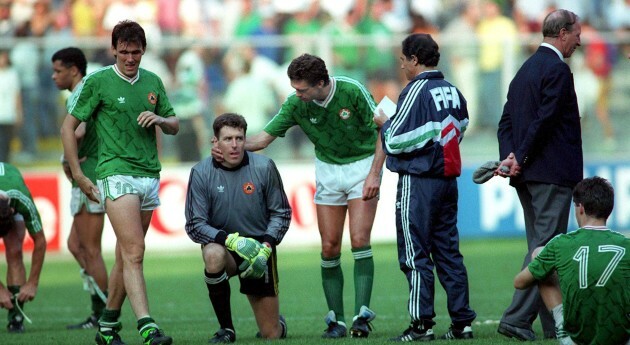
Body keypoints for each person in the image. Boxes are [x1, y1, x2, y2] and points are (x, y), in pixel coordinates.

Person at [213, 53, 385, 338]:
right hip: (328, 169)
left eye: (302, 89)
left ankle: (361, 316)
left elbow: (384, 128)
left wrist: (375, 173)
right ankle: (336, 321)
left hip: (362, 166)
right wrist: (231, 147)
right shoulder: (296, 104)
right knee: (329, 246)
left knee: (358, 240)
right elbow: (263, 138)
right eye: (295, 88)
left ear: (321, 83)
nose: (297, 94)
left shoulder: (352, 90)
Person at [60, 20, 179, 345]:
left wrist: (161, 120)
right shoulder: (98, 82)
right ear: (113, 49)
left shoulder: (153, 81)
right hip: (115, 173)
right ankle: (147, 326)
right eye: (124, 52)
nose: (130, 58)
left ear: (143, 51)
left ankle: (108, 326)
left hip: (149, 175)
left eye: (135, 52)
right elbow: (68, 128)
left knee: (127, 257)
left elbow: (174, 123)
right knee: (135, 251)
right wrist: (80, 175)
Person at [373, 33, 477, 341]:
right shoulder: (454, 91)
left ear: (415, 60)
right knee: (448, 252)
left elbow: (395, 140)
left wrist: (384, 124)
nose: (402, 65)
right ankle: (462, 323)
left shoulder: (415, 90)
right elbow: (461, 127)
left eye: (404, 59)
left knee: (414, 253)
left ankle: (421, 325)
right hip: (447, 180)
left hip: (418, 182)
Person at [495, 9, 584, 341]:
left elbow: (506, 121)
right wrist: (524, 154)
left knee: (541, 244)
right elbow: (545, 121)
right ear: (562, 33)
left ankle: (552, 325)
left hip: (528, 175)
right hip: (552, 173)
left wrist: (512, 156)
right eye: (576, 33)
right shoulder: (558, 70)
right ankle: (516, 318)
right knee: (546, 249)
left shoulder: (525, 69)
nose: (580, 39)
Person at [185, 113, 291, 343]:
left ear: (245, 139)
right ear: (215, 141)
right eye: (227, 139)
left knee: (271, 335)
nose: (234, 145)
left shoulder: (264, 167)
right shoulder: (201, 172)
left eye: (239, 138)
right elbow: (195, 223)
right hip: (225, 246)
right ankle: (227, 330)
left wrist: (267, 244)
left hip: (258, 251)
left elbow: (281, 212)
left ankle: (277, 323)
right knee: (212, 255)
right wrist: (229, 241)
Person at [514, 176, 630, 345]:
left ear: (580, 208)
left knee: (539, 254)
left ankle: (562, 325)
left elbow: (520, 282)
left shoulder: (560, 243)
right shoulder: (626, 244)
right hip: (621, 337)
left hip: (577, 337)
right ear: (609, 209)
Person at [52, 47, 109, 330]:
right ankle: (99, 309)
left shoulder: (81, 93)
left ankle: (106, 313)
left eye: (58, 70)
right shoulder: (80, 92)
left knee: (90, 249)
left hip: (90, 174)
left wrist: (67, 157)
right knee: (75, 245)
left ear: (74, 70)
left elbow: (79, 129)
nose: (53, 76)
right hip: (84, 173)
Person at [0, 162, 47, 333]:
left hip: (11, 186)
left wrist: (32, 283)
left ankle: (16, 318)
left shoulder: (21, 199)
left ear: (12, 210)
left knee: (15, 250)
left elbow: (40, 241)